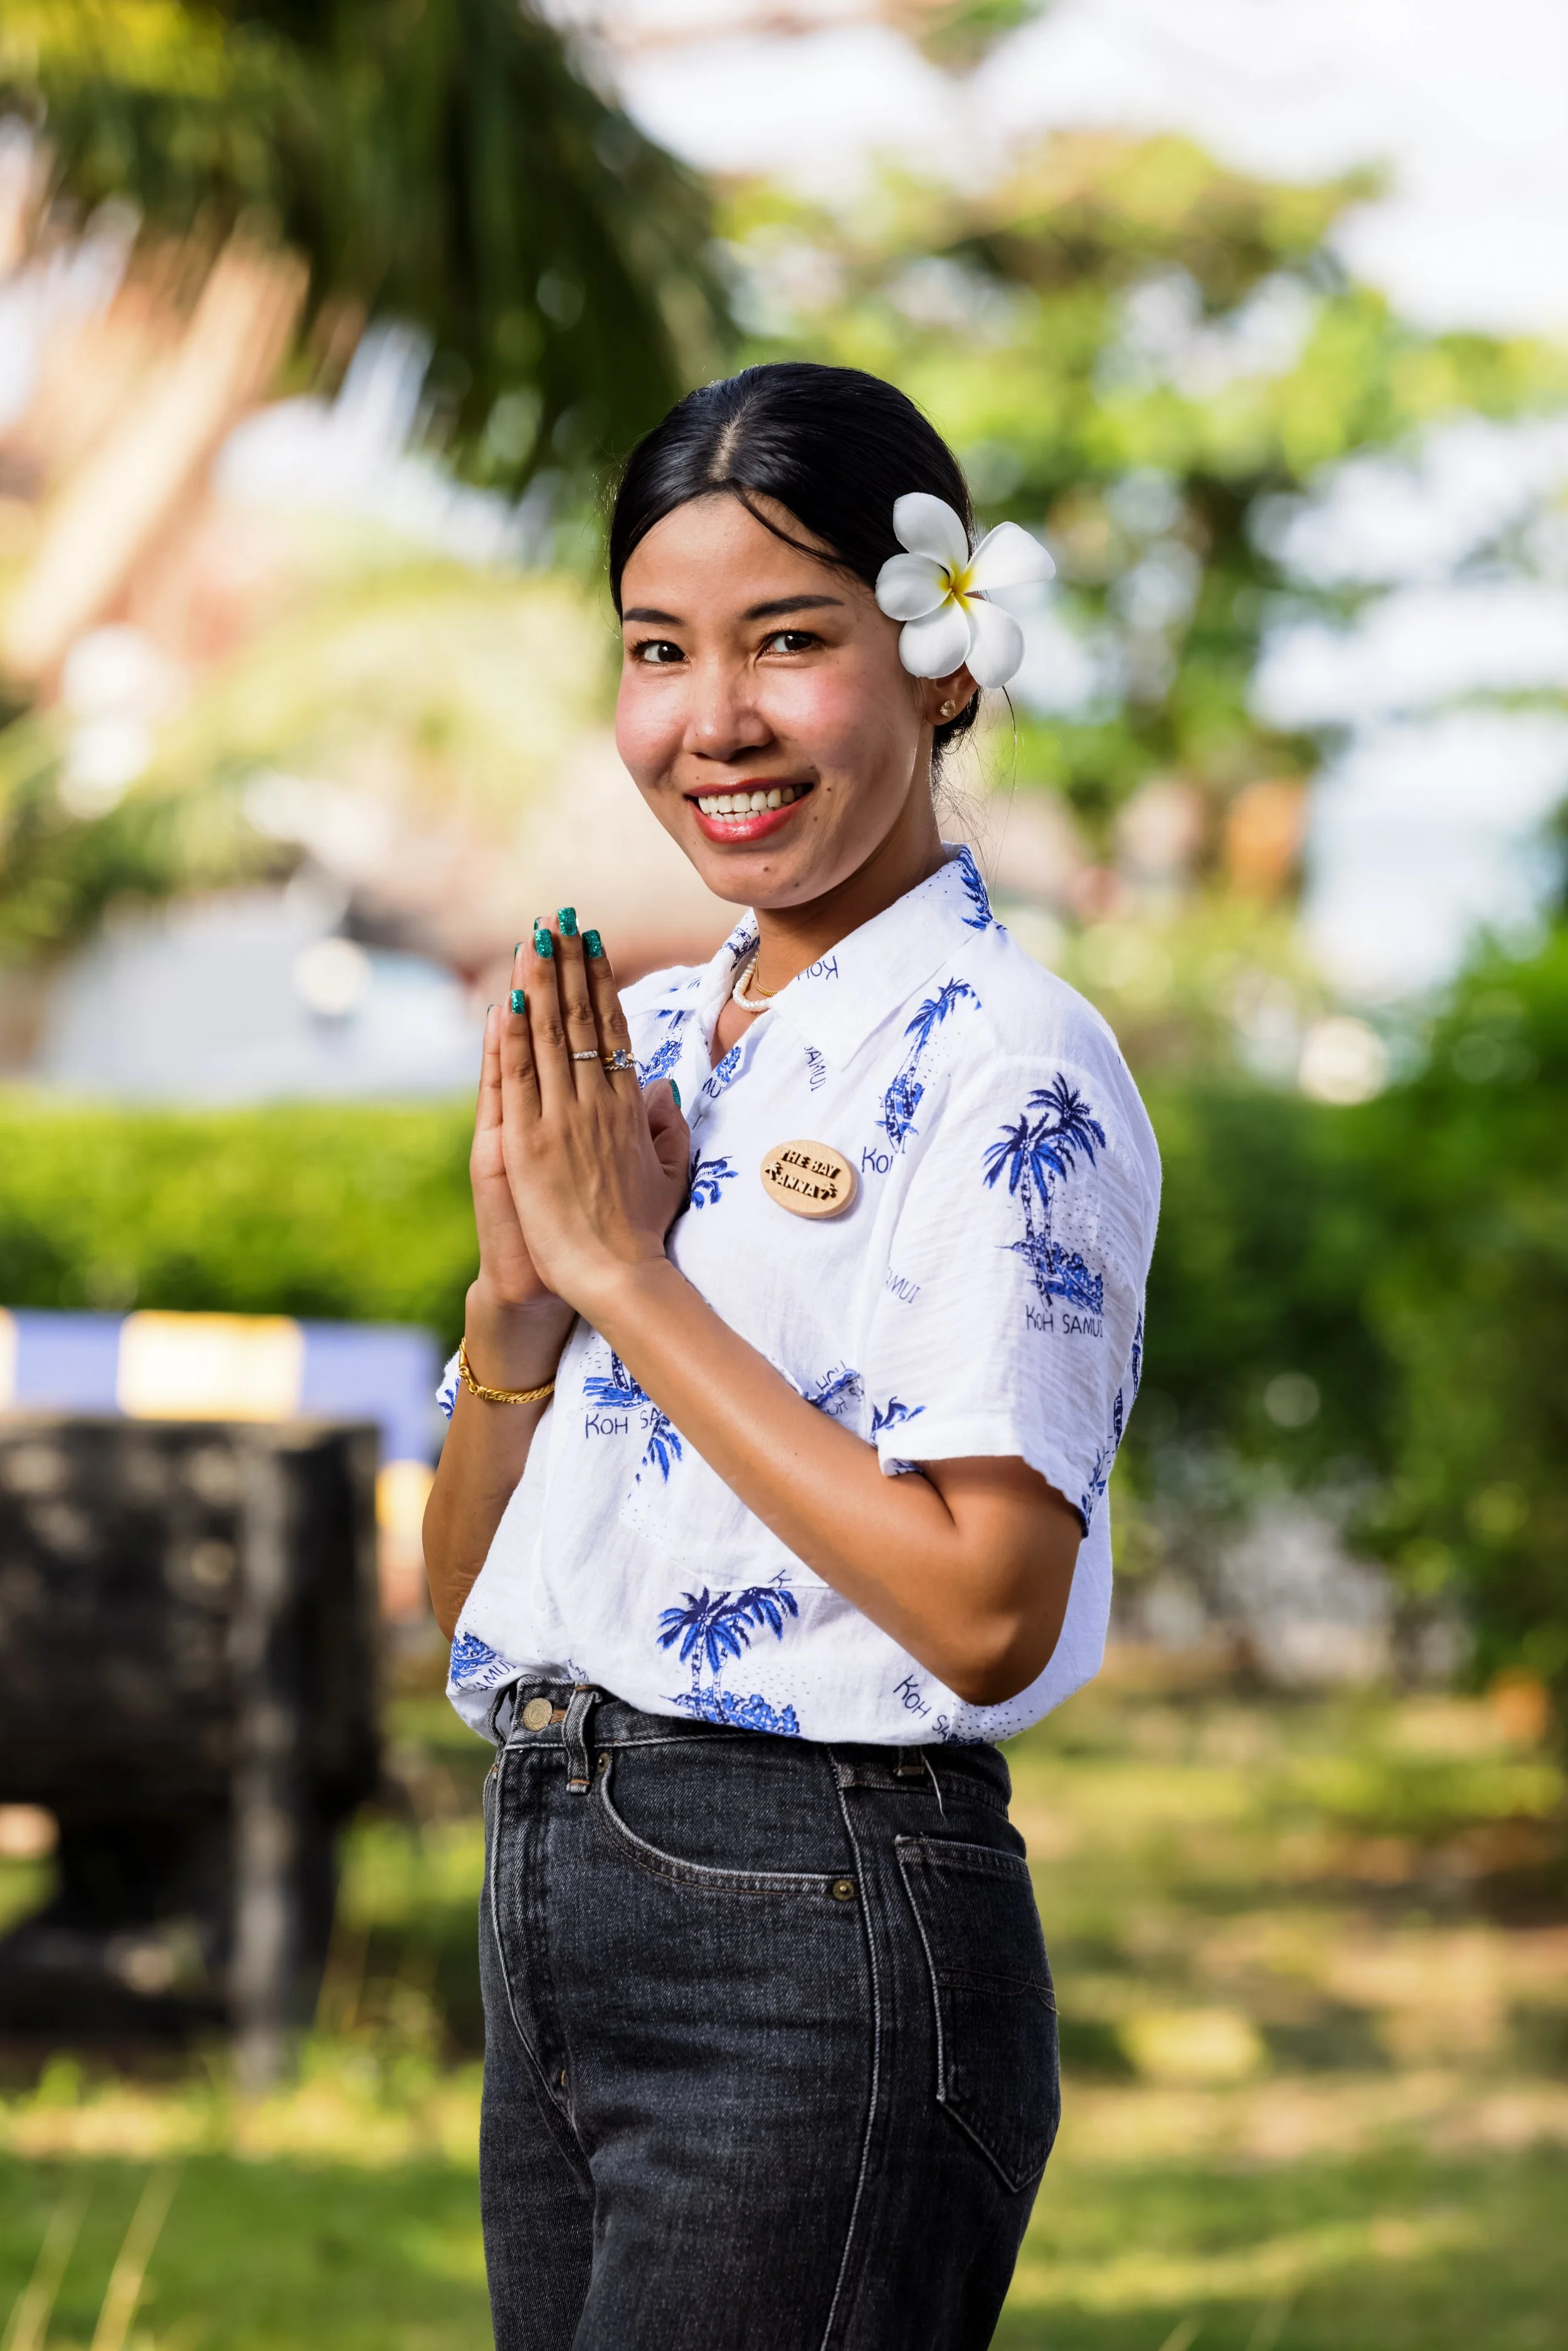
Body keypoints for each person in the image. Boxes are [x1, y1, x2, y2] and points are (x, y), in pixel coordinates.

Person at [422, 360, 1160, 2351]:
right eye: (658, 648)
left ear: (941, 663)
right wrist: (522, 1300)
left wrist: (628, 1276)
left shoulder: (1011, 1059)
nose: (713, 720)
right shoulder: (649, 1042)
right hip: (556, 1879)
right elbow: (466, 1597)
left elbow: (988, 1609)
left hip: (816, 1931)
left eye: (788, 639)